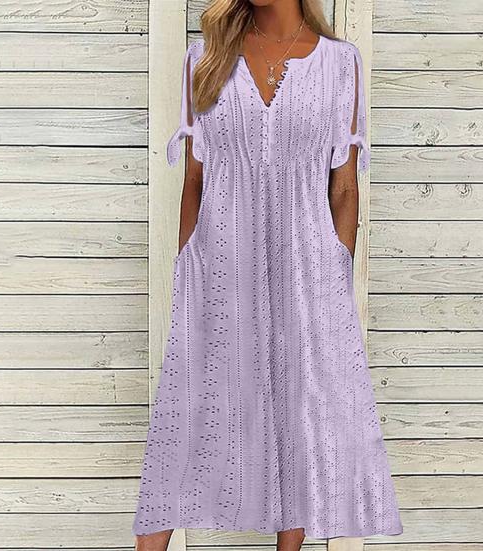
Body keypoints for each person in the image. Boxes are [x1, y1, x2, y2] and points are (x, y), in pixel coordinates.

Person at [133, 1, 403, 550]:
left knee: (297, 416)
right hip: (218, 264)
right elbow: (194, 180)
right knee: (188, 413)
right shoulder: (205, 60)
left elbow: (344, 187)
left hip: (309, 269)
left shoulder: (339, 65)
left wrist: (334, 271)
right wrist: (188, 263)